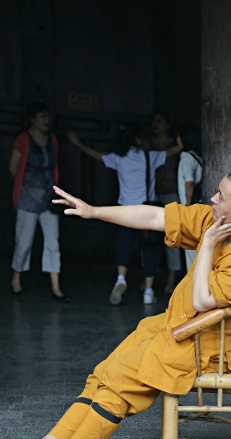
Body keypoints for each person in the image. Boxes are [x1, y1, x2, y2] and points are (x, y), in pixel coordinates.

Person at [0, 170, 231, 439]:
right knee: (103, 374)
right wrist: (94, 211)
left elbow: (202, 300)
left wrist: (208, 244)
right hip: (177, 327)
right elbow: (155, 217)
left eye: (220, 196)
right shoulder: (218, 221)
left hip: (206, 348)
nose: (212, 198)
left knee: (120, 384)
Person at [67, 124, 183, 305]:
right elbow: (175, 150)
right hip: (146, 212)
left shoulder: (118, 158)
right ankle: (148, 291)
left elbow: (94, 155)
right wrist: (177, 136)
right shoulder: (149, 156)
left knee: (123, 247)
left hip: (124, 212)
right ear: (138, 140)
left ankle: (121, 279)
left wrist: (77, 143)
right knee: (149, 249)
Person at [9, 100, 69, 302]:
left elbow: (54, 167)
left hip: (48, 199)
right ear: (32, 119)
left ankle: (55, 285)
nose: (46, 120)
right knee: (24, 241)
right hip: (28, 198)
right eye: (42, 116)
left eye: (47, 116)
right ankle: (16, 279)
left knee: (53, 241)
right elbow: (13, 168)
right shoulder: (23, 139)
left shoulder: (52, 140)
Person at [145, 111, 182, 294]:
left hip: (172, 192)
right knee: (150, 239)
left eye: (160, 121)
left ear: (168, 125)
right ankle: (149, 278)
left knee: (173, 237)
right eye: (154, 121)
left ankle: (171, 279)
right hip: (152, 194)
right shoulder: (147, 145)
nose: (156, 124)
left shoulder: (174, 144)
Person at [177, 125, 203, 270]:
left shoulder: (186, 157)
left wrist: (186, 206)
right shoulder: (197, 156)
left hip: (190, 209)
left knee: (191, 252)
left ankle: (193, 289)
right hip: (198, 206)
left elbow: (189, 182)